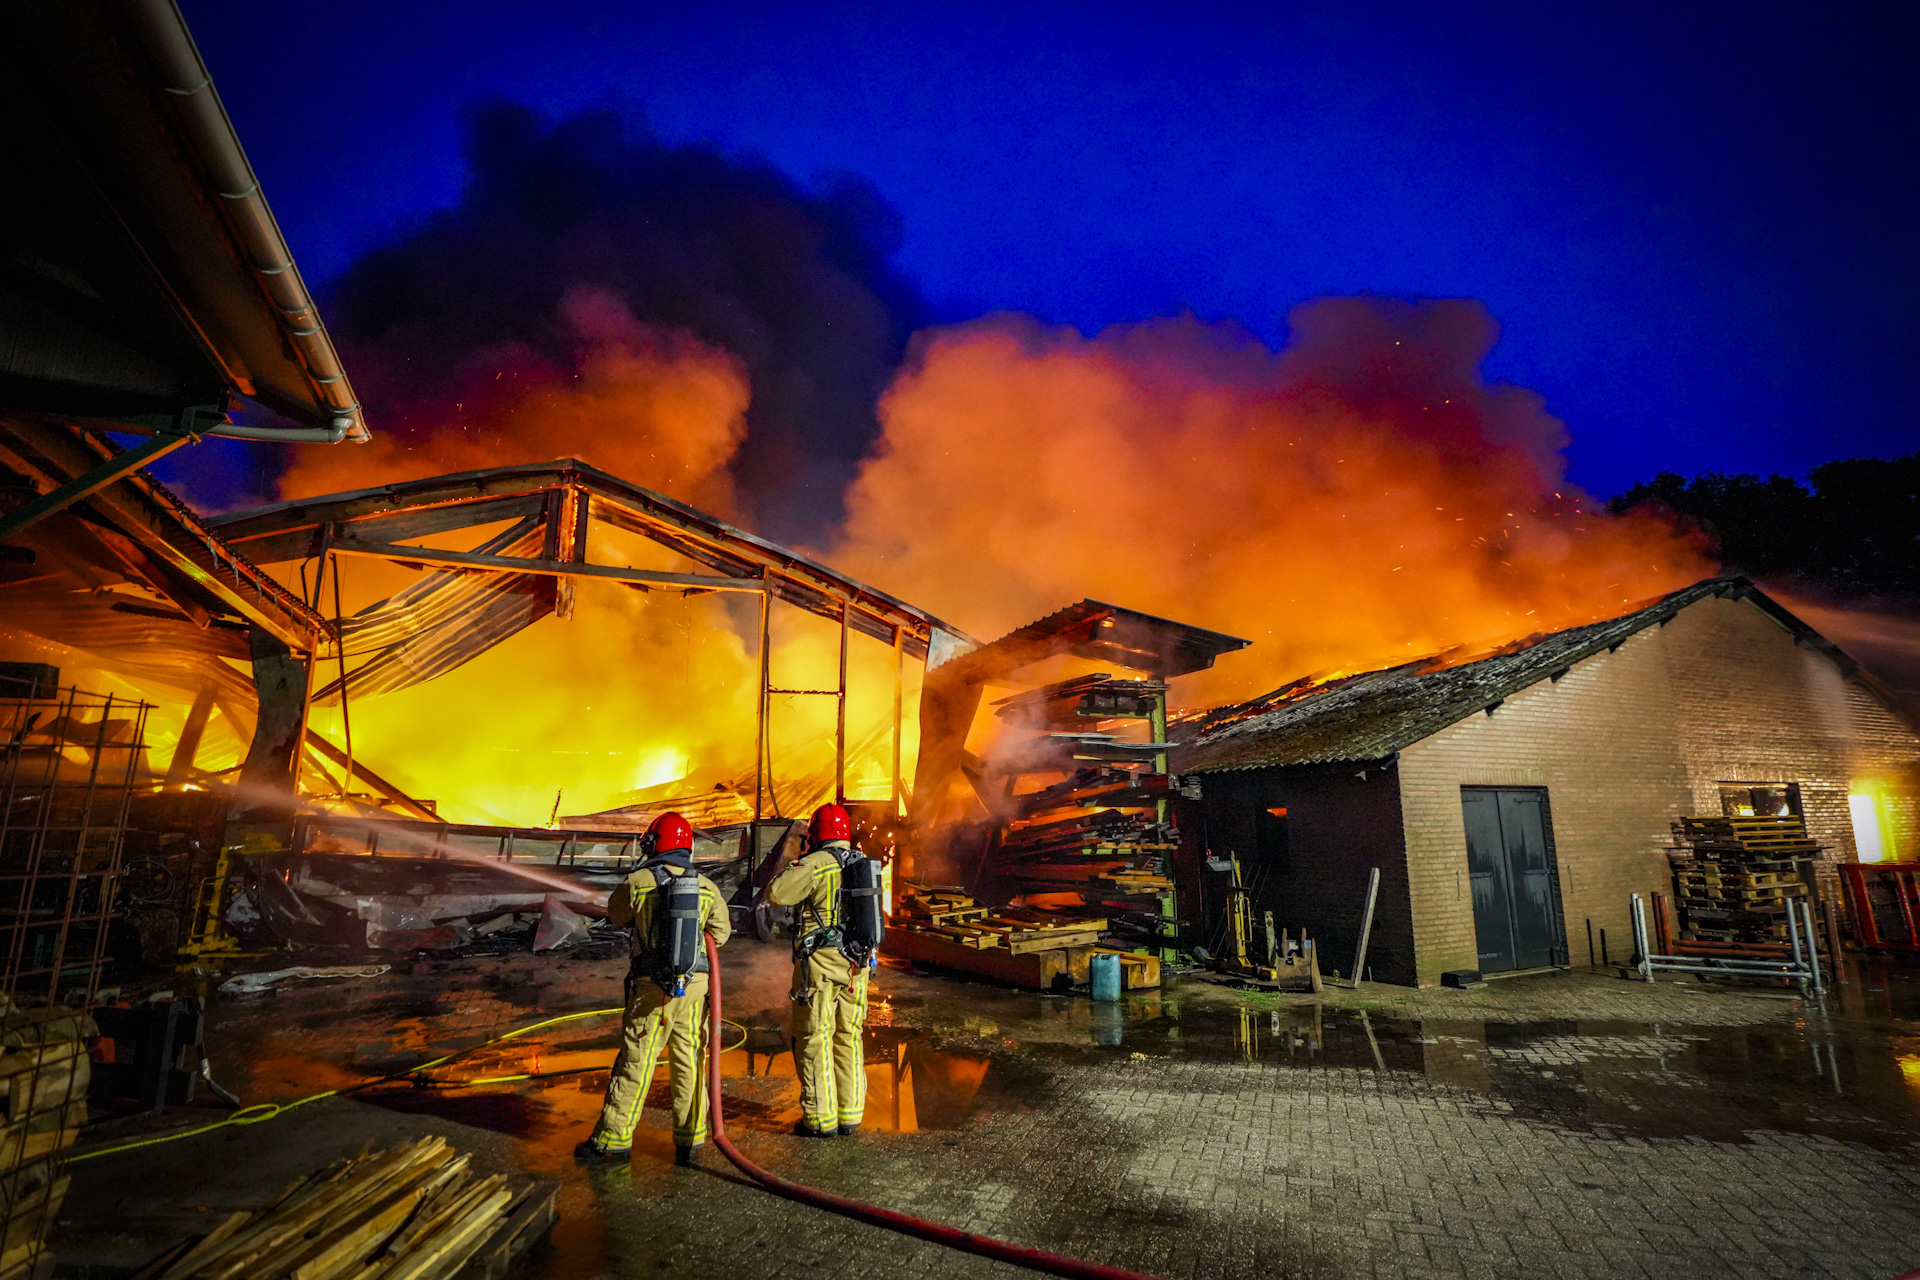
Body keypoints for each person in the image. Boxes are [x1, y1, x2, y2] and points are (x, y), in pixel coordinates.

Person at [575, 811, 731, 1167]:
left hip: (654, 988)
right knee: (691, 1058)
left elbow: (616, 915)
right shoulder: (706, 886)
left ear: (654, 843)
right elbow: (720, 935)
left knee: (638, 1059)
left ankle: (613, 1140)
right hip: (696, 986)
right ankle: (691, 1139)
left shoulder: (639, 881)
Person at [766, 803, 870, 1137]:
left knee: (813, 1036)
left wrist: (796, 857)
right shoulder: (862, 864)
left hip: (821, 965)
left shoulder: (816, 864)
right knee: (848, 1036)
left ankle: (820, 1120)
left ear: (816, 835)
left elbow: (777, 893)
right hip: (857, 966)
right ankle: (850, 1114)